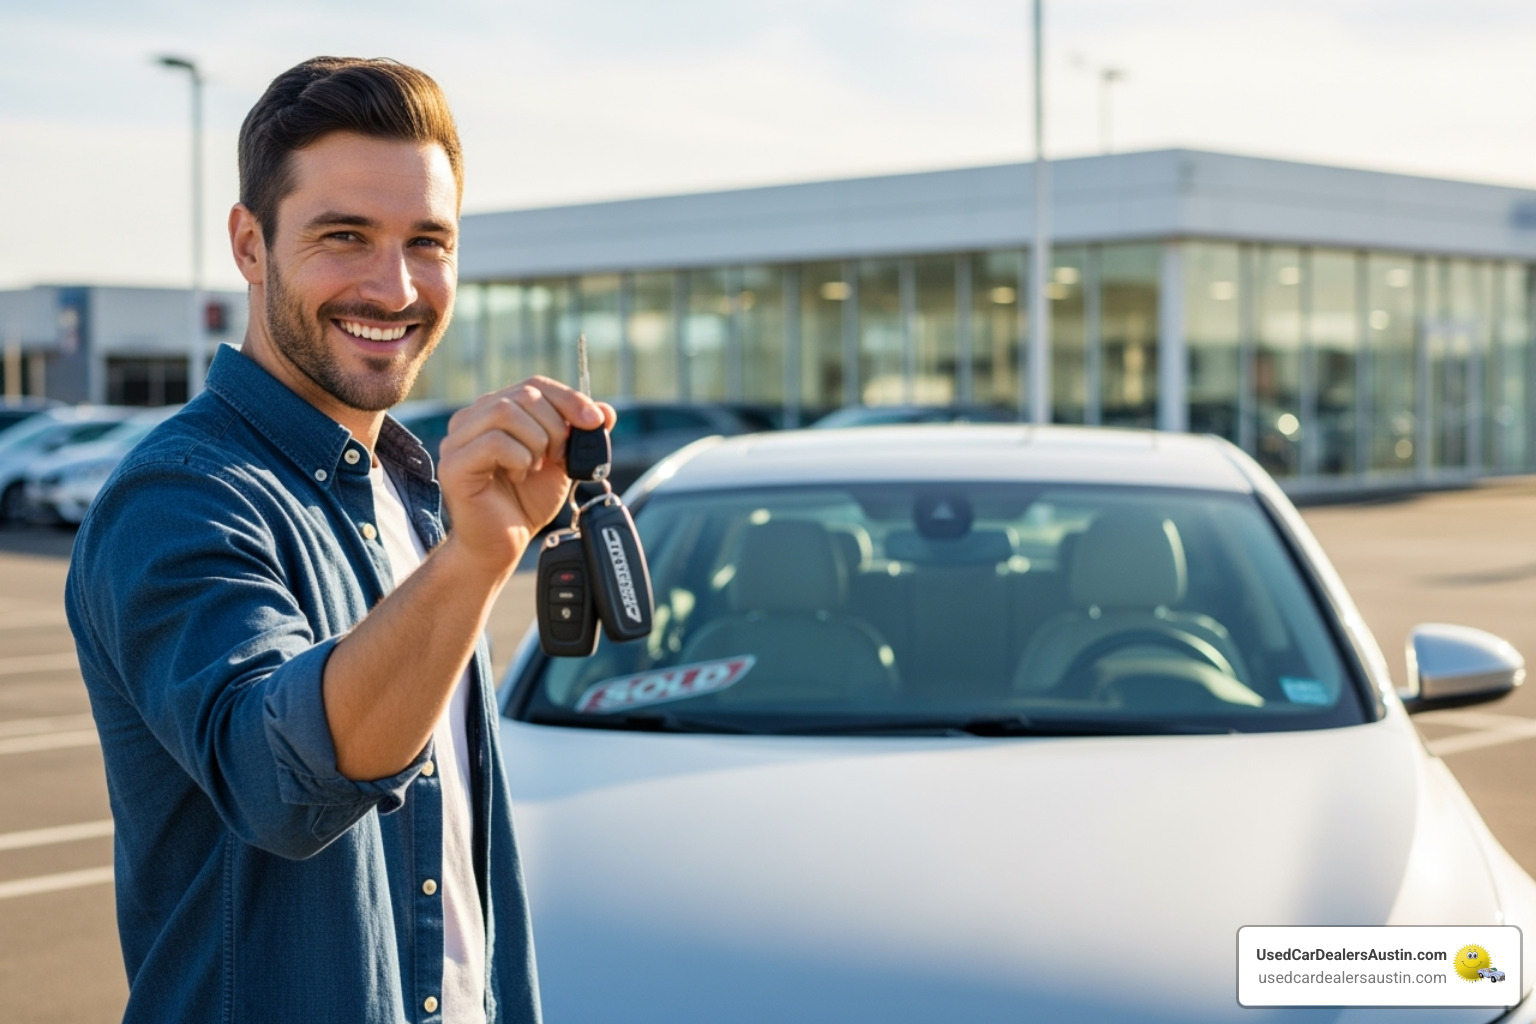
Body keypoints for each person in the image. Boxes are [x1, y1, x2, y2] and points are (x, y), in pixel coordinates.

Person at [65, 56, 609, 1024]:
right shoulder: (181, 495)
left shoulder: (416, 496)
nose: (395, 286)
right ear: (250, 243)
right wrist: (479, 558)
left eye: (427, 242)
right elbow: (283, 784)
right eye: (343, 236)